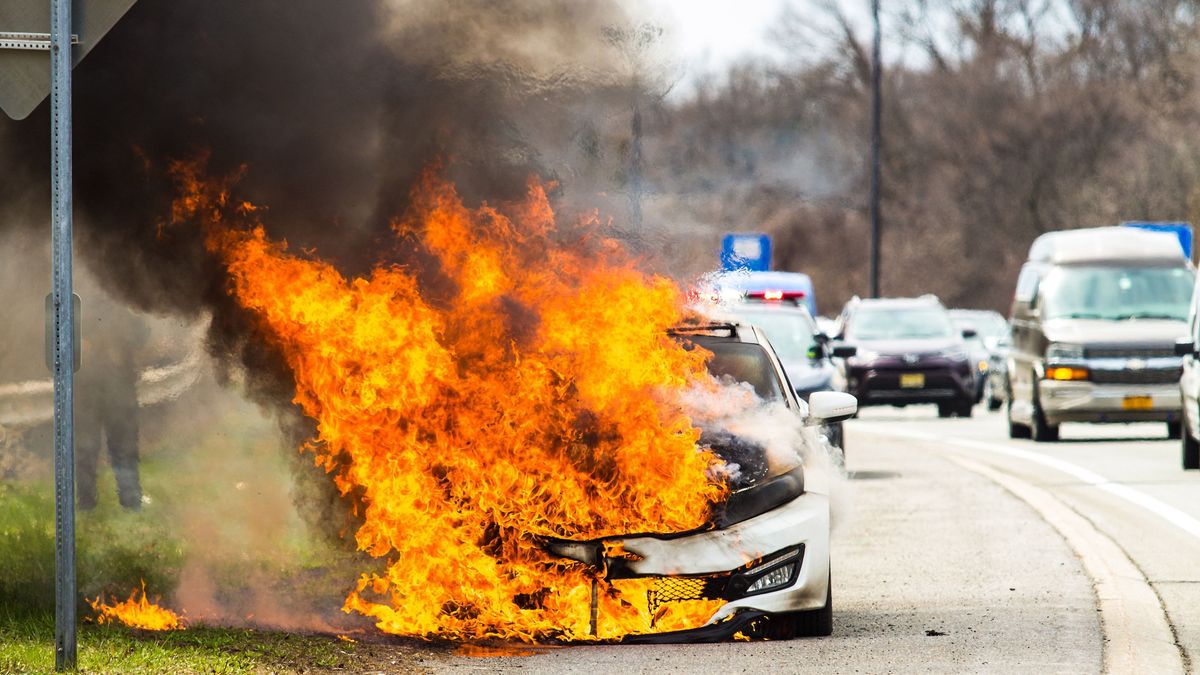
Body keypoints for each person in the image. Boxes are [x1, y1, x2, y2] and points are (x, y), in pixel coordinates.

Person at [75, 291, 148, 511]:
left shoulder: (83, 308)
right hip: (105, 392)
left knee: (90, 450)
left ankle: (90, 505)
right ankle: (129, 503)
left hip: (100, 392)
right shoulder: (119, 307)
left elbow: (141, 337)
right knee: (119, 450)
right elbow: (142, 337)